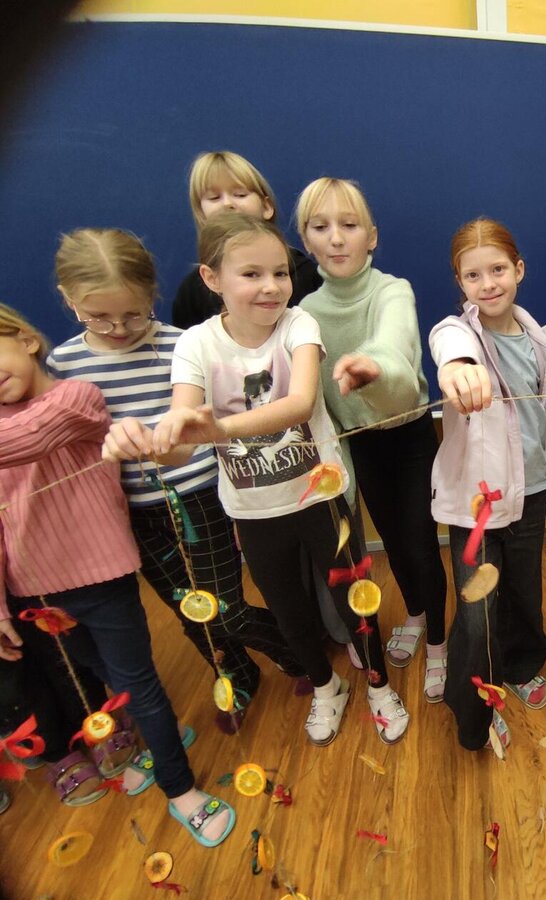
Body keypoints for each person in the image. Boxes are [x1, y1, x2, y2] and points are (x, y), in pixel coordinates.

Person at [130, 212, 408, 747]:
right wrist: (153, 443)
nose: (272, 286)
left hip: (323, 500)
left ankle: (378, 684)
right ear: (212, 278)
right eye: (251, 274)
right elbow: (182, 439)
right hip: (254, 512)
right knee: (289, 610)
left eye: (280, 273)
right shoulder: (195, 345)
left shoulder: (299, 325)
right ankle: (326, 686)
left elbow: (300, 403)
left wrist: (218, 429)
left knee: (355, 599)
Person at [0, 303, 234, 846]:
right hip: (34, 593)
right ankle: (164, 732)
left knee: (136, 683)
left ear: (26, 339)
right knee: (100, 672)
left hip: (101, 580)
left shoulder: (75, 398)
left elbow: (31, 437)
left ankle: (181, 791)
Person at [49, 228, 301, 731]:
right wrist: (109, 444)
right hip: (131, 510)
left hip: (198, 496)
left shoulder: (182, 345)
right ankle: (236, 675)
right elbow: (76, 445)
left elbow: (202, 424)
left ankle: (297, 651)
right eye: (98, 317)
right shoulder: (64, 363)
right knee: (191, 611)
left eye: (134, 314)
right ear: (69, 300)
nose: (118, 328)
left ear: (153, 296)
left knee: (225, 609)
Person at [295, 177, 449, 701]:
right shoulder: (306, 313)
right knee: (394, 547)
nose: (337, 238)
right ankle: (416, 613)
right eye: (321, 227)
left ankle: (439, 643)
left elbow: (393, 340)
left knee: (421, 545)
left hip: (409, 438)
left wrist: (373, 366)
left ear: (372, 236)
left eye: (349, 225)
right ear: (307, 239)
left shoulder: (392, 290)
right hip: (358, 446)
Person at [430, 218, 546, 750]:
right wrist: (459, 369)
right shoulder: (459, 334)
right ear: (459, 282)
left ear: (519, 270)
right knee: (477, 608)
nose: (487, 284)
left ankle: (523, 664)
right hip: (477, 504)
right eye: (473, 275)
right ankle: (474, 710)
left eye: (498, 270)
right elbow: (449, 347)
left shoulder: (541, 341)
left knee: (524, 591)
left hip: (531, 495)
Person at [171, 151, 321, 329]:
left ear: (266, 206)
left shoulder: (304, 274)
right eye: (214, 198)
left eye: (240, 194)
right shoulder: (191, 292)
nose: (227, 204)